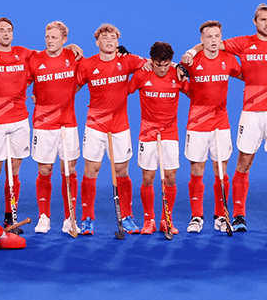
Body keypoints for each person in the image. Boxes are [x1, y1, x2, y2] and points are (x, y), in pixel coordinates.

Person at [182, 5, 267, 232]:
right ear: (255, 21)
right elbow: (210, 45)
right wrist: (192, 53)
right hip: (250, 113)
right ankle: (239, 215)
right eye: (263, 20)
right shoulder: (242, 43)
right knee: (244, 163)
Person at [76, 23, 147, 236]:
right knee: (91, 170)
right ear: (97, 42)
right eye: (105, 37)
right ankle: (87, 218)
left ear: (118, 42)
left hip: (120, 126)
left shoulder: (127, 60)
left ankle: (127, 217)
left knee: (121, 171)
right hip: (95, 125)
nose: (109, 40)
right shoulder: (88, 64)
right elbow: (73, 87)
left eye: (113, 38)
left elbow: (152, 65)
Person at [181, 21, 242, 234]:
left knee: (221, 170)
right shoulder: (192, 60)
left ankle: (221, 215)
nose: (214, 40)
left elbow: (248, 77)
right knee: (197, 170)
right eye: (209, 36)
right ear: (202, 40)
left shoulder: (229, 59)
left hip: (221, 124)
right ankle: (196, 216)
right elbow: (179, 81)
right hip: (197, 124)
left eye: (217, 36)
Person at [0, 18, 35, 231]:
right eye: (1, 30)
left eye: (9, 30)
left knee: (14, 168)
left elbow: (49, 57)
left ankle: (11, 217)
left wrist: (71, 47)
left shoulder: (24, 53)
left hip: (20, 120)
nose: (6, 33)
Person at [28, 21, 81, 235]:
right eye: (47, 36)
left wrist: (69, 93)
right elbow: (21, 81)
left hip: (68, 124)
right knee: (45, 170)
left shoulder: (74, 57)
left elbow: (87, 77)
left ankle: (70, 217)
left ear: (64, 40)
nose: (49, 40)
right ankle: (44, 217)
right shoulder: (35, 59)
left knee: (68, 171)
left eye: (54, 37)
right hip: (43, 124)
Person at [128, 42, 183, 235]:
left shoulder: (177, 74)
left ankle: (166, 220)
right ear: (152, 61)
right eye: (158, 65)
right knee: (148, 177)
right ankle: (148, 220)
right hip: (148, 133)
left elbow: (196, 93)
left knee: (170, 177)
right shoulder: (142, 74)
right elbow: (122, 92)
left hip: (170, 132)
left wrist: (181, 68)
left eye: (166, 65)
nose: (161, 69)